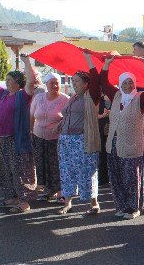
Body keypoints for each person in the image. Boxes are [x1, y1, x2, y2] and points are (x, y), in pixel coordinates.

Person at [97, 57, 144, 219]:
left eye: (131, 83)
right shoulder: (116, 96)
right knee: (116, 177)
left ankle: (133, 207)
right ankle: (122, 206)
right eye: (125, 83)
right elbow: (103, 82)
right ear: (120, 85)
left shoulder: (140, 99)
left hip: (131, 145)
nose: (128, 86)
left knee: (131, 177)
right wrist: (107, 64)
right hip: (113, 144)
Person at [0, 61, 38, 214]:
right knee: (5, 170)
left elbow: (31, 81)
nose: (7, 82)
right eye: (7, 80)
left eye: (10, 80)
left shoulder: (23, 95)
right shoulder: (4, 94)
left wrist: (27, 63)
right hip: (1, 138)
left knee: (19, 170)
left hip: (15, 140)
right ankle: (11, 197)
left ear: (18, 83)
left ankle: (24, 202)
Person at [55, 55, 102, 215]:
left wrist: (88, 58)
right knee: (67, 171)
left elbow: (96, 79)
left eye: (77, 81)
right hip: (66, 140)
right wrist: (60, 125)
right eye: (72, 81)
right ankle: (67, 203)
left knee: (86, 171)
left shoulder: (92, 96)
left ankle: (94, 203)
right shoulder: (74, 97)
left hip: (83, 139)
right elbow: (68, 115)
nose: (73, 84)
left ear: (86, 84)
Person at [29, 71, 69, 201]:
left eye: (57, 83)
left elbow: (69, 118)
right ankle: (49, 191)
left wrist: (61, 125)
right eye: (52, 83)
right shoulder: (39, 98)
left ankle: (61, 192)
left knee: (56, 165)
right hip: (38, 136)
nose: (55, 86)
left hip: (56, 139)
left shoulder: (65, 99)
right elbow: (31, 115)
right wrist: (30, 131)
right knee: (42, 164)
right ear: (46, 84)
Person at [97, 94, 111, 185]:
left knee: (112, 154)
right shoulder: (99, 100)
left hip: (114, 131)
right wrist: (103, 115)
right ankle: (103, 179)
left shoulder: (116, 97)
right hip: (102, 130)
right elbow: (94, 115)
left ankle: (112, 178)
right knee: (102, 155)